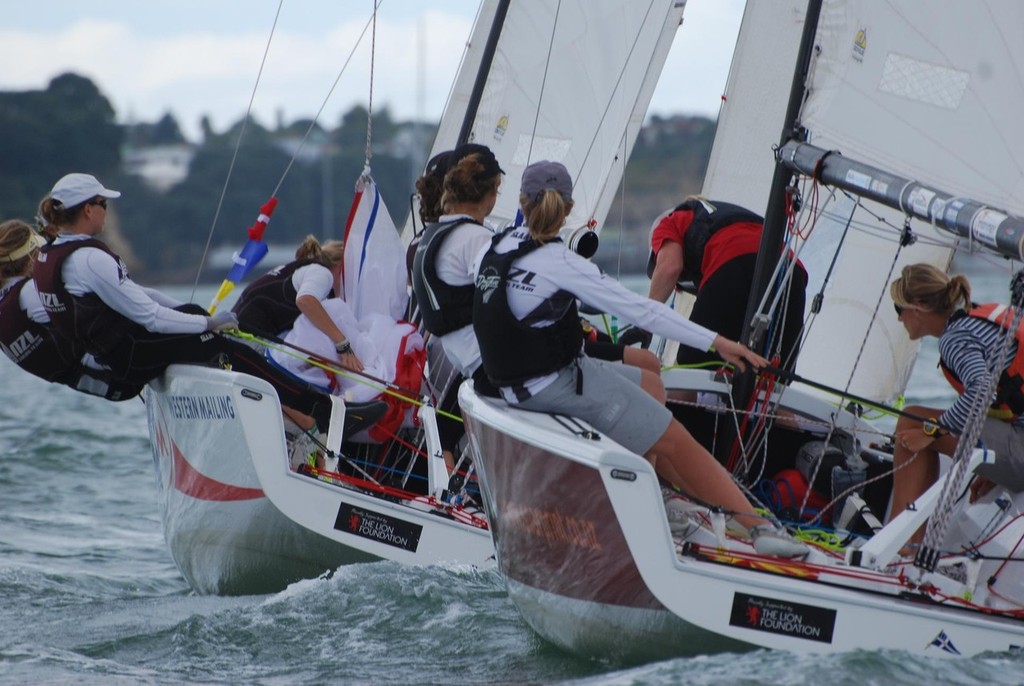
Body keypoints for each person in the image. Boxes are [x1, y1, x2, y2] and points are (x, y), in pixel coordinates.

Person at [472, 161, 808, 558]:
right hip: (553, 386)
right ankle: (760, 529)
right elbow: (644, 312)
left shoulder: (494, 247)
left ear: (522, 204)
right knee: (675, 439)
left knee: (651, 383)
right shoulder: (562, 265)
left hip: (515, 385)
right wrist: (717, 341)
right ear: (568, 209)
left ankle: (658, 497)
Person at [32, 172, 342, 435]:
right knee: (221, 346)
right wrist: (209, 325)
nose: (106, 210)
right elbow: (151, 317)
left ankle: (287, 411)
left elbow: (144, 296)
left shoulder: (55, 254)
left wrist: (199, 316)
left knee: (195, 318)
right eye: (103, 204)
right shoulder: (90, 258)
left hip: (117, 350)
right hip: (131, 353)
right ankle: (320, 409)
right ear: (87, 210)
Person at [888, 264, 1024, 540]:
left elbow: (982, 389)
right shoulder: (977, 319)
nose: (900, 319)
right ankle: (908, 542)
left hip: (1020, 455)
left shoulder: (954, 337)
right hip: (1017, 445)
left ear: (918, 307)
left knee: (912, 421)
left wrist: (932, 431)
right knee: (917, 418)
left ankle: (899, 545)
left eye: (898, 309)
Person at [646, 197, 807, 369]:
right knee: (774, 374)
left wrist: (644, 324)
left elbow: (670, 268)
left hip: (733, 260)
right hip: (791, 271)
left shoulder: (668, 222)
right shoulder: (725, 216)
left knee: (693, 359)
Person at [0, 219, 141, 399]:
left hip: (111, 386)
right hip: (124, 373)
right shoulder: (29, 293)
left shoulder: (6, 304)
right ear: (30, 257)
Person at [232, 234, 363, 373]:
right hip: (246, 341)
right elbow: (305, 301)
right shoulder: (322, 273)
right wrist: (342, 344)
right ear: (340, 265)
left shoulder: (303, 269)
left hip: (235, 333)